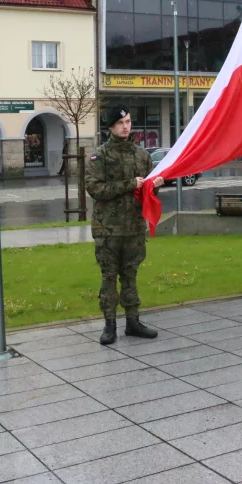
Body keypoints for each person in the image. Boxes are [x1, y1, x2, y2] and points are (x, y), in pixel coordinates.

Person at [85, 105, 164, 344]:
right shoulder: (100, 156)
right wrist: (129, 184)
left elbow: (147, 191)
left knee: (130, 276)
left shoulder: (142, 155)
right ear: (110, 127)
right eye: (120, 123)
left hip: (133, 228)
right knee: (109, 276)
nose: (126, 126)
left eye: (128, 121)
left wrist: (156, 184)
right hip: (108, 229)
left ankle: (133, 322)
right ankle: (110, 325)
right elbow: (94, 188)